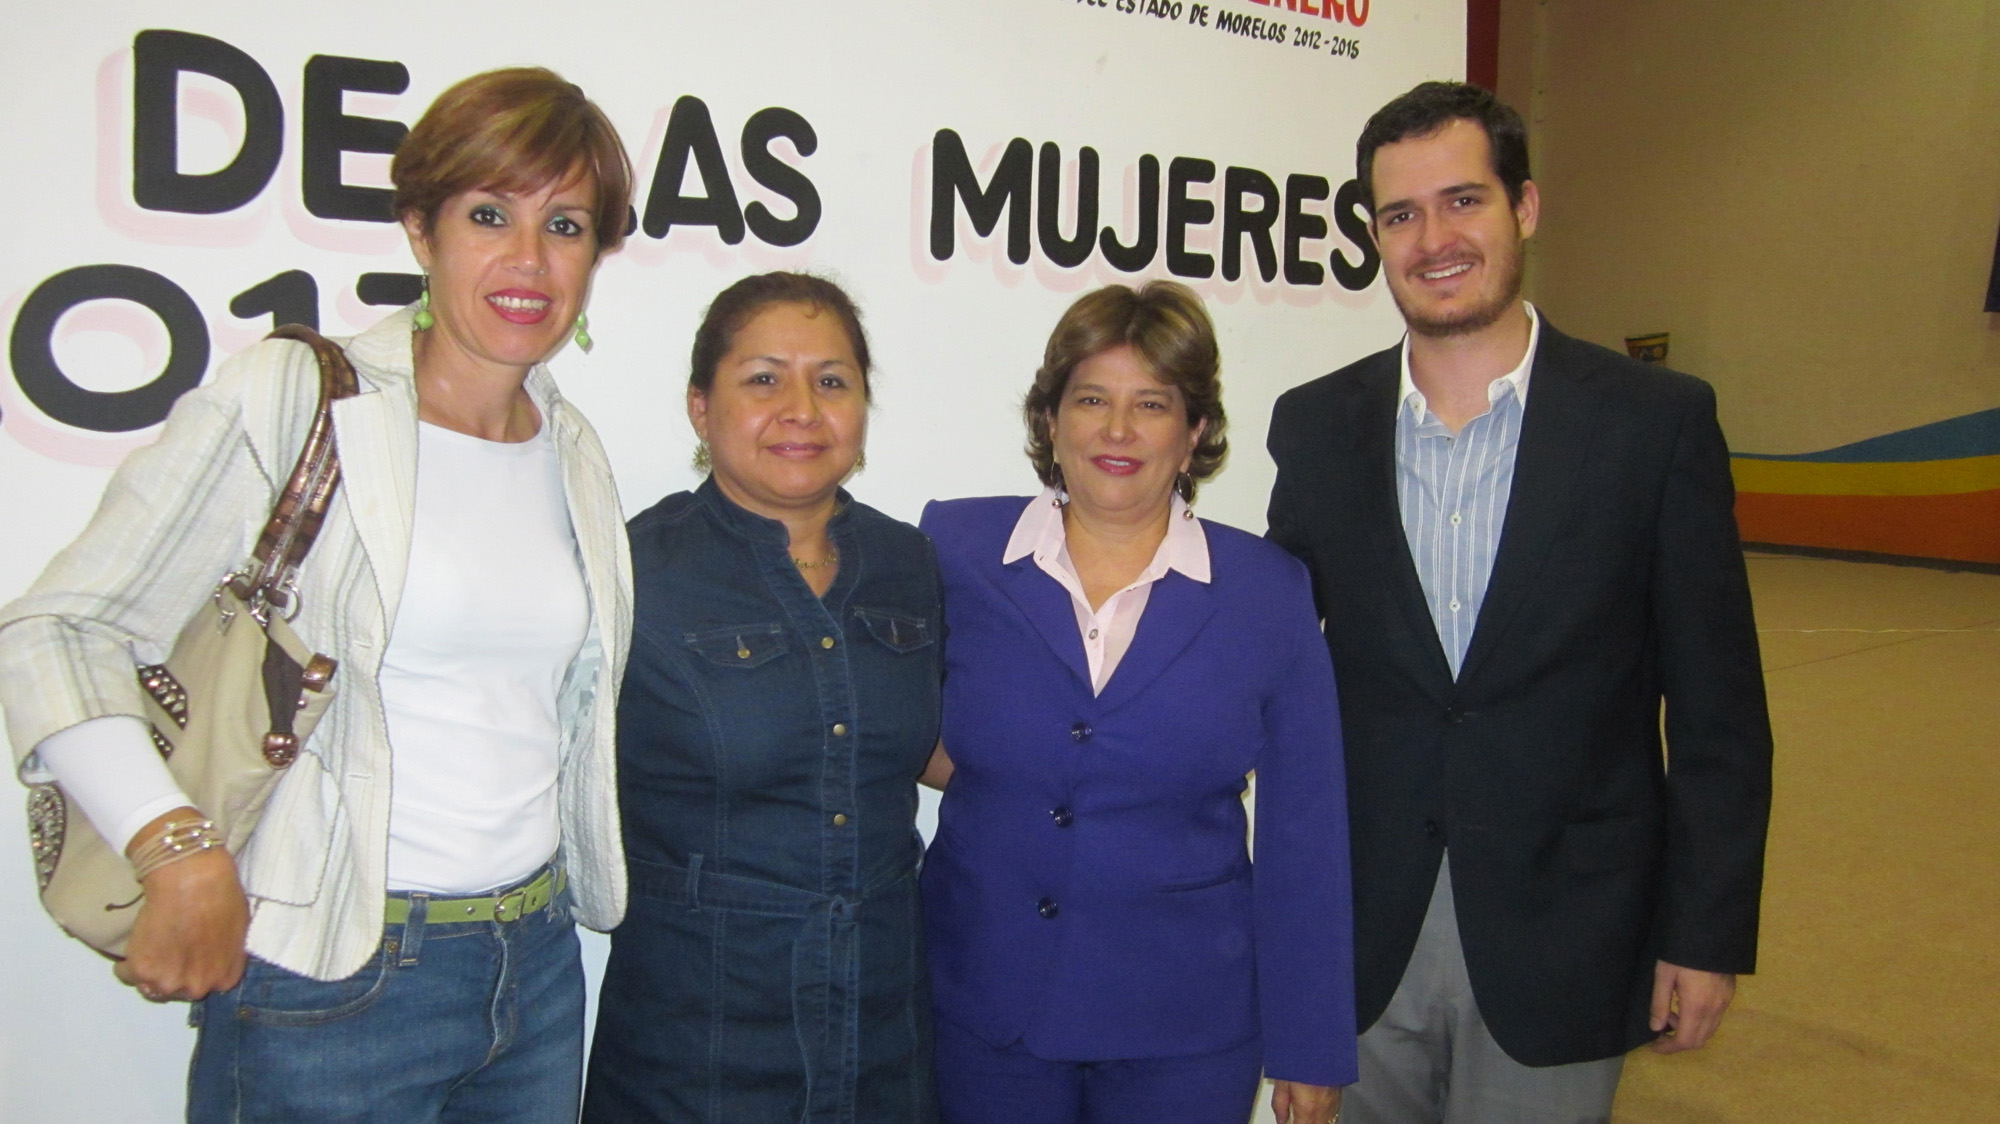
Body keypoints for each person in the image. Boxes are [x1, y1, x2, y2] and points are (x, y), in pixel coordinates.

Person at [0, 68, 636, 1122]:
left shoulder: (571, 449)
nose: (528, 260)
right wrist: (173, 843)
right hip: (335, 969)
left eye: (564, 224)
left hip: (535, 962)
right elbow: (54, 631)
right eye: (488, 215)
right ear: (418, 232)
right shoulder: (299, 396)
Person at [1265, 81, 1774, 1124]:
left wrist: (1703, 930)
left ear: (1524, 207)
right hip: (1365, 934)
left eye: (1463, 201)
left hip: (1568, 926)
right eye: (1399, 214)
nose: (1431, 238)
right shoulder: (1314, 427)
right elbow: (1266, 657)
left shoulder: (1654, 424)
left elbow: (1719, 707)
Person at [919, 281, 1356, 1124]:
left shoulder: (1268, 591)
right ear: (1052, 421)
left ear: (1194, 432)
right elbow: (890, 722)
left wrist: (1311, 1043)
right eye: (1091, 399)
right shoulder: (953, 549)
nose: (1117, 431)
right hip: (982, 1011)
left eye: (1151, 404)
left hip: (1185, 1031)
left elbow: (1306, 828)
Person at [583, 272, 943, 1124]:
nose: (802, 409)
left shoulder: (908, 564)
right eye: (763, 379)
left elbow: (945, 752)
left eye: (831, 380)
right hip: (695, 1043)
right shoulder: (634, 571)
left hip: (884, 1034)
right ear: (700, 409)